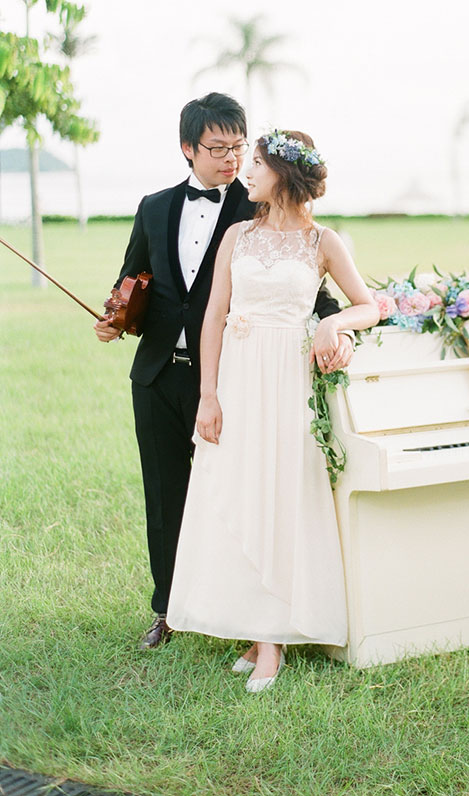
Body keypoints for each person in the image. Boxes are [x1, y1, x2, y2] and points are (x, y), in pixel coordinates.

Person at [94, 94, 353, 650]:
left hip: (234, 377)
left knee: (233, 494)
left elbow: (311, 288)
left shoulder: (260, 204)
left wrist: (342, 329)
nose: (232, 159)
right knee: (164, 495)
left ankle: (251, 618)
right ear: (188, 148)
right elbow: (132, 277)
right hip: (159, 373)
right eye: (218, 148)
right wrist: (117, 317)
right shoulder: (154, 206)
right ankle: (169, 610)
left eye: (239, 147)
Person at [166, 130, 380, 692]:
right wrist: (208, 396)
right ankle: (251, 624)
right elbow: (212, 317)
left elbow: (370, 306)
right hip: (237, 377)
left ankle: (271, 642)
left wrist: (333, 323)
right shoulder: (237, 235)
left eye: (256, 162)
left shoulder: (322, 241)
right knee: (235, 491)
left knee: (278, 496)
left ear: (283, 173)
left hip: (287, 381)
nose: (246, 171)